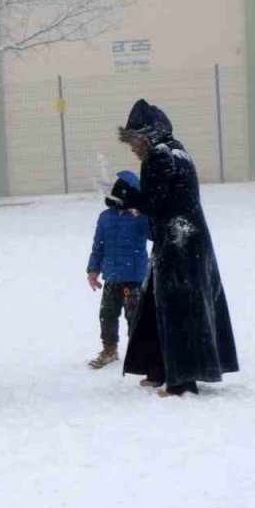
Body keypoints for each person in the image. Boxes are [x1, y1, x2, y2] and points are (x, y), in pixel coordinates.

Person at [112, 99, 239, 396]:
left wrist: (123, 193)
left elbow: (153, 203)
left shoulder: (158, 156)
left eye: (133, 140)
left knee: (178, 308)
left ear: (147, 135)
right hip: (189, 239)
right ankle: (158, 368)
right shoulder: (178, 151)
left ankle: (181, 379)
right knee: (161, 303)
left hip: (177, 243)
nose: (132, 148)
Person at [85, 171, 150, 369]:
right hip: (112, 277)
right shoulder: (105, 217)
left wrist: (140, 215)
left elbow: (152, 234)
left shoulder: (139, 216)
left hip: (134, 278)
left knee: (135, 316)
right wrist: (93, 270)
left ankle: (139, 352)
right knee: (107, 314)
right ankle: (109, 349)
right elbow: (98, 245)